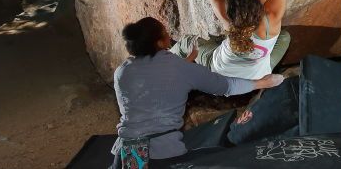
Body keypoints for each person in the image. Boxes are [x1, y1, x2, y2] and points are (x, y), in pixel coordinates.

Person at [111, 17, 283, 167]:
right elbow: (226, 86)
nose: (168, 35)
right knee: (224, 159)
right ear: (159, 42)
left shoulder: (122, 72)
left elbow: (158, 80)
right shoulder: (177, 67)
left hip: (129, 153)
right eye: (165, 33)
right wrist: (262, 82)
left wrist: (188, 61)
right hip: (162, 154)